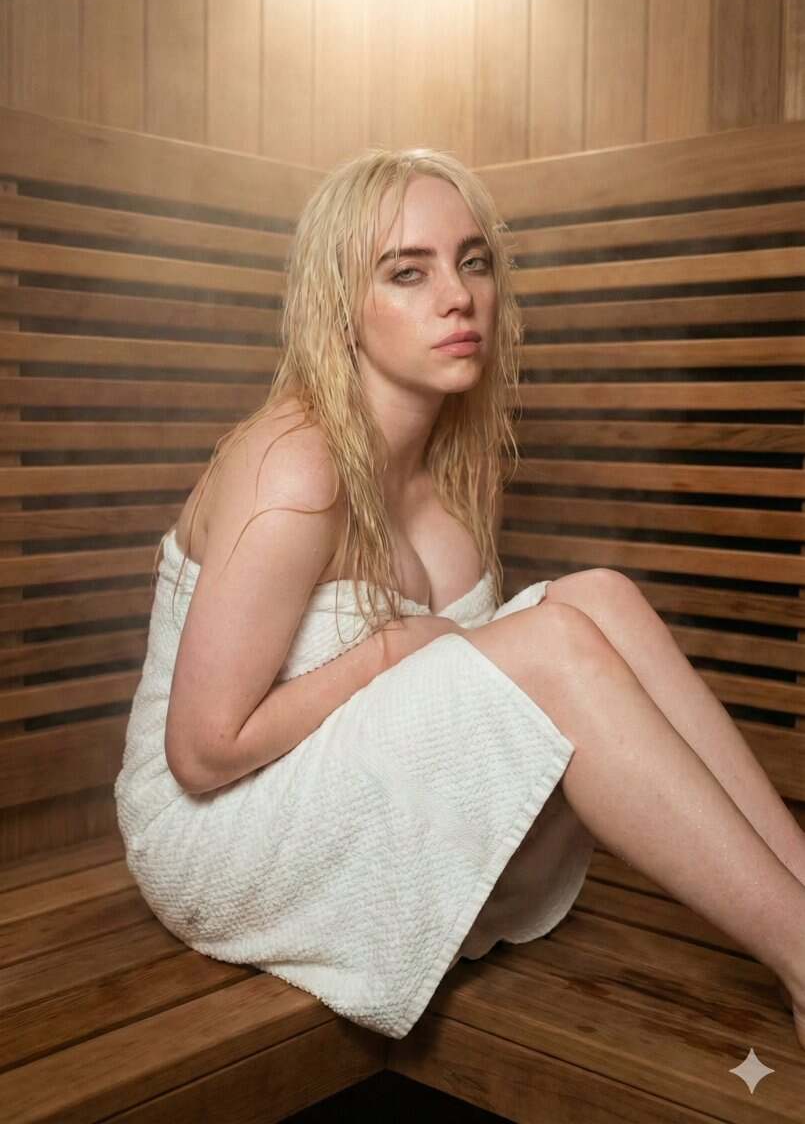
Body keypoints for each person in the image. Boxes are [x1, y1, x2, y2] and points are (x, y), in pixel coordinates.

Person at [115, 146, 805, 1046]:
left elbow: (463, 708)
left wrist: (420, 655)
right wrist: (389, 648)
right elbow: (203, 754)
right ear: (340, 307)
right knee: (555, 642)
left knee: (600, 597)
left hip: (346, 797)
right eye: (407, 272)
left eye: (471, 262)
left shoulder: (456, 468)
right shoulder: (296, 468)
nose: (458, 297)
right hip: (220, 835)